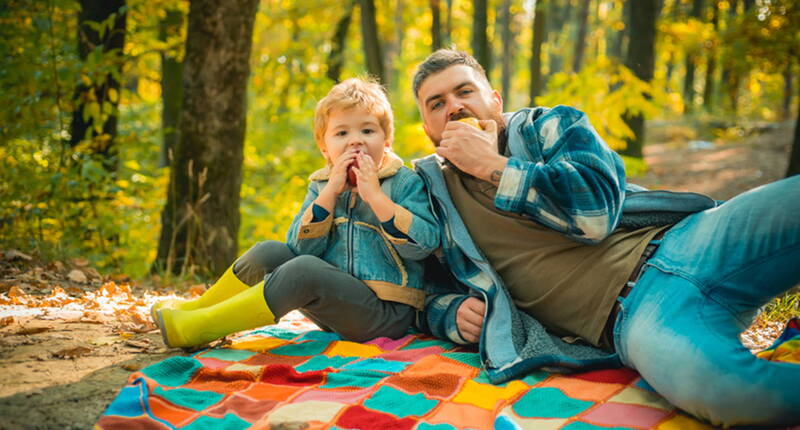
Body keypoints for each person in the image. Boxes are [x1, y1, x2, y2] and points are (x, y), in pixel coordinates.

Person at [411, 49, 800, 427]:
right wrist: (448, 314)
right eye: (437, 104)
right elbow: (417, 290)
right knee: (729, 394)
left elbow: (596, 213)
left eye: (464, 92)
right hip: (640, 322)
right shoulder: (429, 197)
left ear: (494, 100)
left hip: (690, 241)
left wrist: (495, 167)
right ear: (428, 128)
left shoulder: (548, 127)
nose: (455, 107)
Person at [152, 77, 439, 348]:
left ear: (386, 141)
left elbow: (424, 244)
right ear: (324, 148)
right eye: (342, 133)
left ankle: (201, 327)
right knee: (269, 252)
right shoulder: (322, 187)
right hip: (335, 305)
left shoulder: (404, 182)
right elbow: (299, 248)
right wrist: (328, 195)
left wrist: (376, 198)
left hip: (387, 314)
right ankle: (197, 309)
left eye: (367, 130)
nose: (355, 141)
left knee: (305, 271)